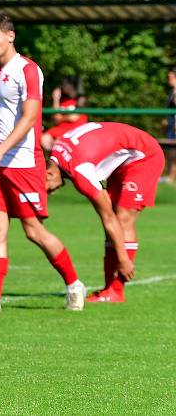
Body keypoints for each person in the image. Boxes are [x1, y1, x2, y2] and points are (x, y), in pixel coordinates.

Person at [0, 12, 86, 314]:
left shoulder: (27, 70)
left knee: (33, 231)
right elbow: (0, 120)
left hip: (23, 162)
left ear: (10, 36)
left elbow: (30, 118)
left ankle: (73, 283)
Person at [47, 122, 164, 302]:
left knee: (122, 218)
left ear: (49, 174)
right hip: (123, 159)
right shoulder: (57, 153)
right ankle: (109, 290)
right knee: (115, 222)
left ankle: (116, 290)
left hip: (144, 155)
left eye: (45, 189)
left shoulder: (80, 170)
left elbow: (108, 217)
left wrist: (123, 259)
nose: (48, 193)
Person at [41, 77, 88, 151]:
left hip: (74, 130)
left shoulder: (81, 100)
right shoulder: (62, 100)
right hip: (60, 129)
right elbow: (56, 118)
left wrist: (61, 118)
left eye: (65, 84)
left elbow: (74, 117)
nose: (62, 86)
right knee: (44, 139)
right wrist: (56, 99)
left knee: (59, 143)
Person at [164, 68, 176, 183]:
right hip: (171, 126)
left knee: (173, 153)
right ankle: (170, 177)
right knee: (170, 152)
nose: (169, 79)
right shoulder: (172, 92)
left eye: (171, 77)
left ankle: (171, 178)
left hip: (174, 127)